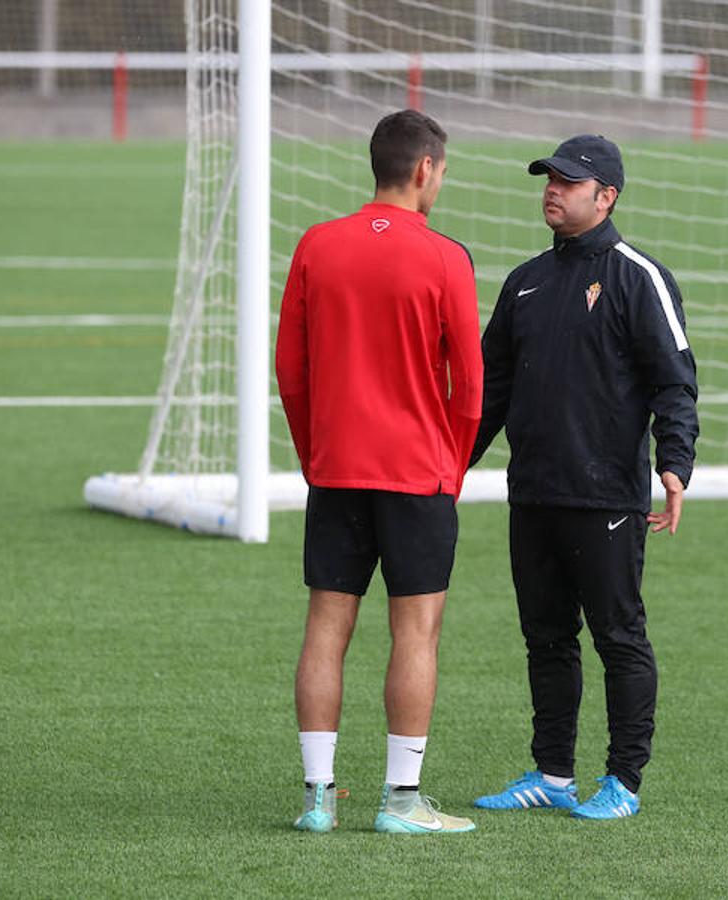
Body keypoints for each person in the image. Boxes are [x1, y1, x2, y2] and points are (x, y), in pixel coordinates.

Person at [469, 134, 699, 820]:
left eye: (568, 182)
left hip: (606, 497)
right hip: (533, 494)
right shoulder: (525, 282)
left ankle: (624, 782)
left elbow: (675, 384)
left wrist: (675, 465)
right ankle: (552, 773)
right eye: (549, 178)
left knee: (619, 638)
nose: (552, 189)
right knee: (545, 638)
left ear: (607, 197)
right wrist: (447, 466)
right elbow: (490, 392)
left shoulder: (638, 276)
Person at [275, 109, 482, 835]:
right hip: (418, 473)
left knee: (326, 629)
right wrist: (450, 466)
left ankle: (318, 800)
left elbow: (289, 372)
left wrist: (315, 453)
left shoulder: (316, 245)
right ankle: (400, 802)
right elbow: (471, 383)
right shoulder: (447, 257)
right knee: (415, 633)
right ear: (425, 169)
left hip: (337, 470)